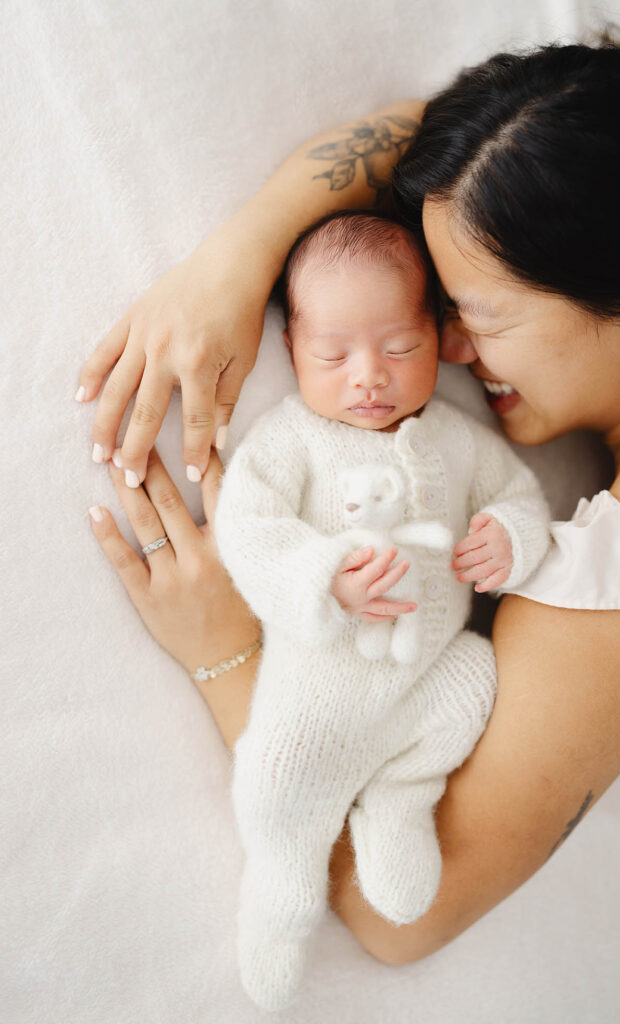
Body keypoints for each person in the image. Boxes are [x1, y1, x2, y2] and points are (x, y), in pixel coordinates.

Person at [84, 15, 620, 968]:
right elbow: (439, 137)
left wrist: (228, 648)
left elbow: (406, 912)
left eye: (477, 317)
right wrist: (239, 262)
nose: (444, 351)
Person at [214, 210, 549, 1009]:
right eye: (332, 355)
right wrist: (324, 577)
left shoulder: (459, 440)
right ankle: (280, 889)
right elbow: (248, 530)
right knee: (275, 779)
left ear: (438, 340)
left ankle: (402, 798)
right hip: (319, 683)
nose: (368, 376)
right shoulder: (289, 440)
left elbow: (520, 497)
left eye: (398, 348)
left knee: (476, 679)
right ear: (291, 350)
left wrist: (507, 536)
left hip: (427, 675)